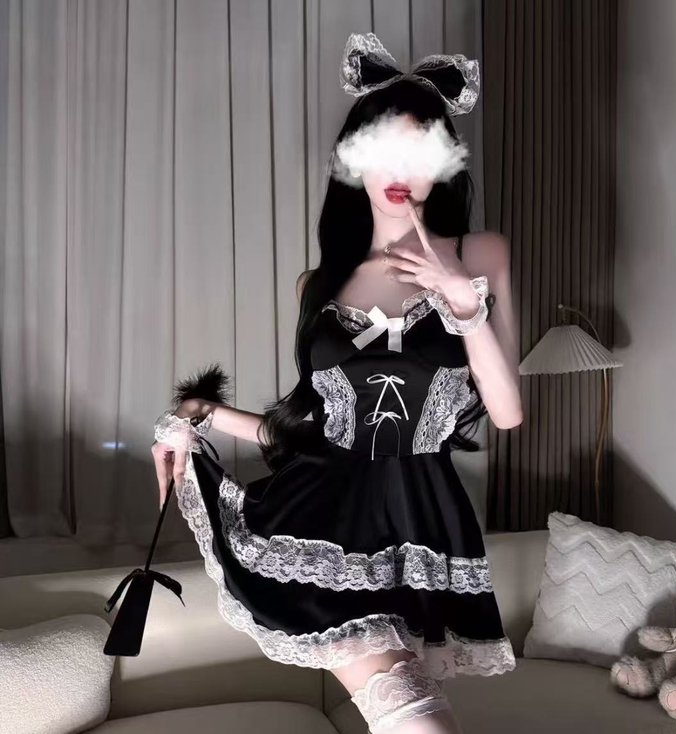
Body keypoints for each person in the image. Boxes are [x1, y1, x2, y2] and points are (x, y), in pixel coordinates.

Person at [151, 32, 523, 734]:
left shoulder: (480, 255)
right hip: (328, 529)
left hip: (424, 523)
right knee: (416, 722)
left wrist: (462, 301)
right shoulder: (319, 286)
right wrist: (199, 413)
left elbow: (506, 413)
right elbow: (309, 434)